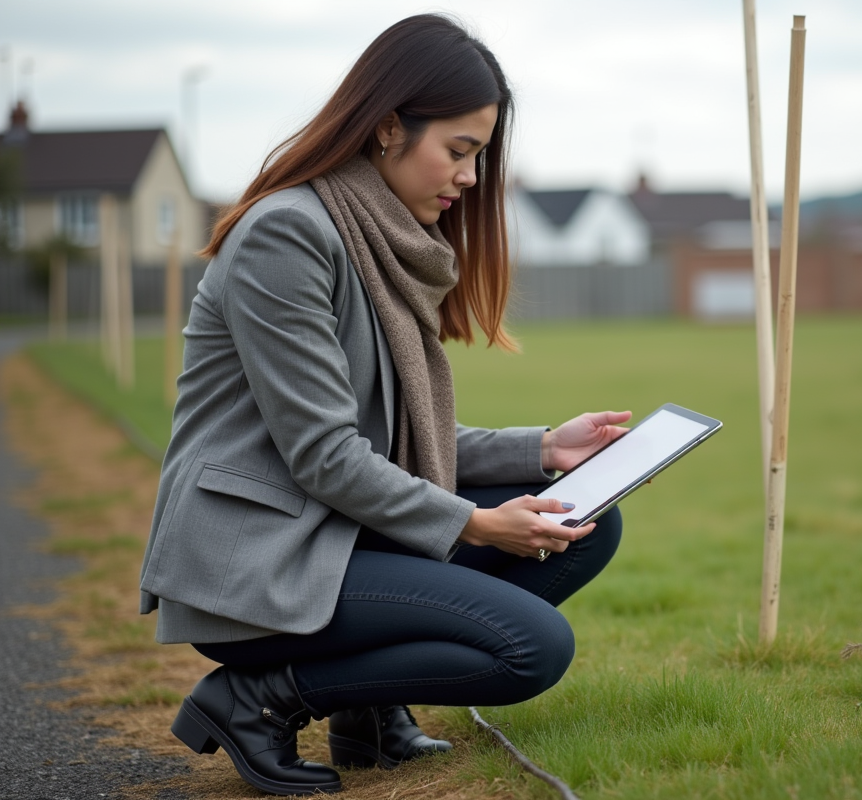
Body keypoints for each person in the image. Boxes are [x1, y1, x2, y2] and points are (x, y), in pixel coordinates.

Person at [137, 15, 627, 796]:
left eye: (479, 155)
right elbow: (328, 454)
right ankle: (258, 697)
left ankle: (369, 714)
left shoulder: (377, 235)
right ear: (389, 126)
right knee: (530, 647)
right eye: (459, 150)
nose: (469, 177)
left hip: (333, 531)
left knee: (585, 523)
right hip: (262, 556)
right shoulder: (288, 236)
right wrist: (474, 522)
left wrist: (543, 450)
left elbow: (397, 436)